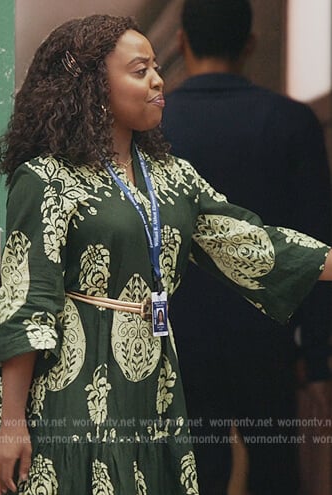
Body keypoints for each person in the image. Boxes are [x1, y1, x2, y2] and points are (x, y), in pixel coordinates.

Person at [0, 13, 332, 495]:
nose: (158, 79)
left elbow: (256, 246)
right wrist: (13, 422)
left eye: (155, 68)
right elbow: (26, 302)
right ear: (93, 86)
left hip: (156, 392)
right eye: (139, 70)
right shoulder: (46, 179)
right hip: (72, 395)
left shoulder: (172, 177)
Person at [161, 1, 332, 494]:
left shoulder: (155, 126)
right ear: (250, 45)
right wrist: (317, 357)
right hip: (269, 340)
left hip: (177, 339)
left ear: (180, 42)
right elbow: (315, 245)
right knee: (276, 476)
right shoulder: (293, 122)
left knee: (193, 477)